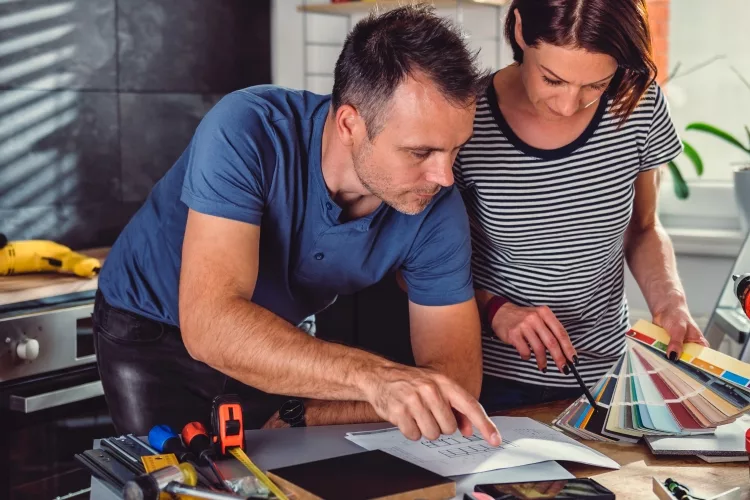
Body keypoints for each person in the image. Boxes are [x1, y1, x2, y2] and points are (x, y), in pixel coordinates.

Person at [93, 5, 501, 446]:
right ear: (350, 124)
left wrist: (313, 411)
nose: (444, 176)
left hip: (274, 336)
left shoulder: (437, 207)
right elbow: (210, 325)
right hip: (150, 326)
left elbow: (454, 380)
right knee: (176, 482)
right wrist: (375, 378)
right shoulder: (246, 129)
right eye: (420, 152)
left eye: (456, 148)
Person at [454, 0, 710, 412]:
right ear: (520, 30)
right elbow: (415, 264)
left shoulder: (636, 104)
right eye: (552, 79)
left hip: (605, 376)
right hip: (490, 379)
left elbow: (643, 228)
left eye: (595, 85)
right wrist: (497, 310)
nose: (569, 105)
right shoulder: (466, 116)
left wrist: (670, 302)